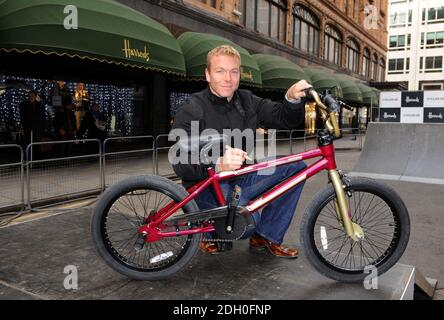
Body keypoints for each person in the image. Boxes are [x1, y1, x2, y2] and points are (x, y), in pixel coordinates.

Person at [171, 45, 311, 258]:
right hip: (206, 186)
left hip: (240, 177)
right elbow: (180, 162)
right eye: (220, 71)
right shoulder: (192, 108)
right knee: (245, 225)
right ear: (208, 75)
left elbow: (284, 118)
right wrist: (217, 163)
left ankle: (266, 237)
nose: (228, 78)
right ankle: (207, 232)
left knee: (296, 168)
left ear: (239, 74)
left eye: (234, 71)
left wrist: (291, 99)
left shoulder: (247, 100)